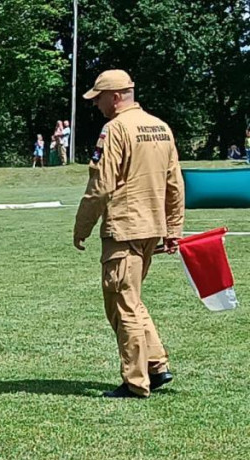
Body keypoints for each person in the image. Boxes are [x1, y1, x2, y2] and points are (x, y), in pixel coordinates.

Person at [73, 69, 184, 398]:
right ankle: (156, 365)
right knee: (131, 299)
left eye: (99, 98)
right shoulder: (161, 128)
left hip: (124, 229)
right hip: (151, 227)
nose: (96, 105)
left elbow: (101, 185)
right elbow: (174, 184)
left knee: (122, 305)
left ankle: (136, 382)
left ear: (116, 96)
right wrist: (173, 228)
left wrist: (82, 227)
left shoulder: (115, 129)